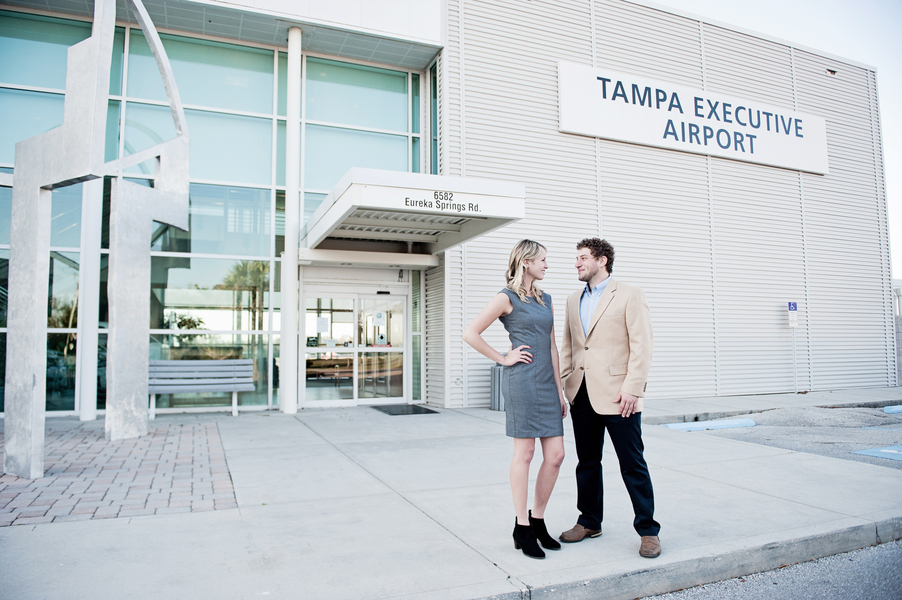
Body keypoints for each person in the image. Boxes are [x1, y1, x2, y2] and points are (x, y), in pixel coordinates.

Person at [463, 239, 567, 560]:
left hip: (547, 384)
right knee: (525, 453)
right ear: (526, 262)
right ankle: (522, 526)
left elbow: (551, 347)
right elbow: (471, 333)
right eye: (543, 260)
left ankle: (537, 519)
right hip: (522, 382)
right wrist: (503, 357)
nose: (547, 265)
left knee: (556, 455)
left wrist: (560, 391)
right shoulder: (505, 298)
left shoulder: (546, 299)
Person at [558, 237, 661, 558]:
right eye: (576, 258)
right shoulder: (573, 299)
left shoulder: (630, 294)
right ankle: (589, 520)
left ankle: (648, 530)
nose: (577, 263)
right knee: (587, 462)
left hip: (621, 395)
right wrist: (565, 383)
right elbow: (569, 346)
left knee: (632, 464)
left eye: (583, 257)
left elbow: (642, 344)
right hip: (582, 393)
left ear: (602, 261)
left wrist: (633, 388)